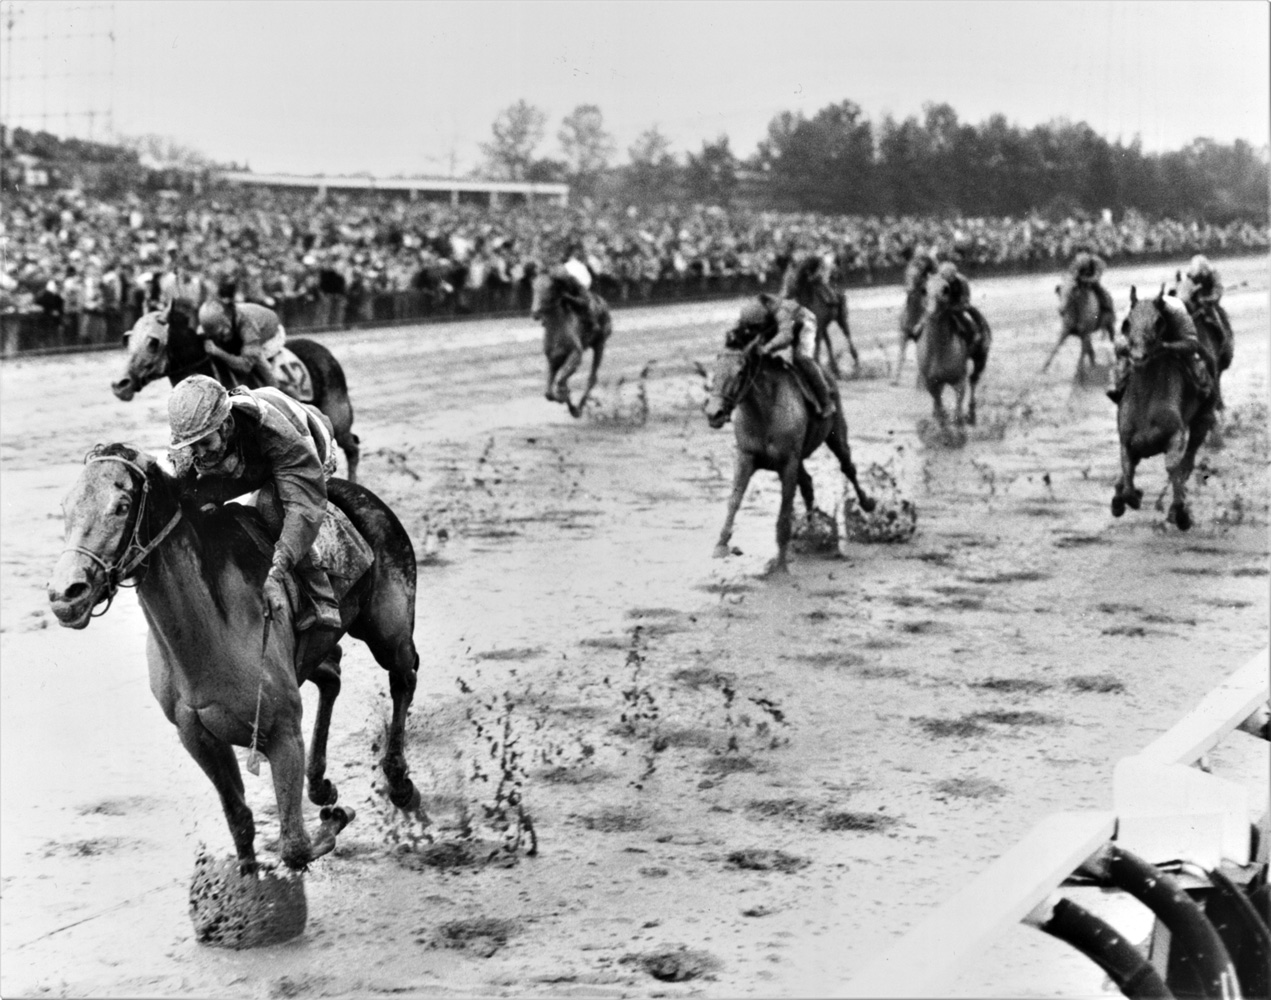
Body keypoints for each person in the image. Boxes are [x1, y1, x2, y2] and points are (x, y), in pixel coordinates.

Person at [167, 375, 341, 632]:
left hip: (308, 446)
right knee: (196, 501)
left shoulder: (280, 436)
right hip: (248, 456)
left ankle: (322, 597)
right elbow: (182, 491)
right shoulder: (195, 435)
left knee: (271, 505)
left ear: (225, 425)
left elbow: (303, 508)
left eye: (205, 444)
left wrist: (276, 574)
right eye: (193, 447)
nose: (200, 453)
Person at [725, 293, 835, 419]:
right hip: (777, 327)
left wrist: (768, 347)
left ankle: (826, 401)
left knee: (801, 358)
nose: (753, 329)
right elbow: (738, 332)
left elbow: (786, 336)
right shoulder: (750, 312)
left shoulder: (782, 312)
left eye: (756, 326)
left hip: (803, 324)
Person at [1106, 293, 1216, 406]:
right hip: (1140, 344)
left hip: (1174, 338)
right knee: (1123, 363)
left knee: (1195, 362)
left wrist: (1166, 346)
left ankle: (1204, 389)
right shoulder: (1129, 313)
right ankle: (1118, 386)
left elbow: (1192, 344)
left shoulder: (1177, 312)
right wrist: (1131, 348)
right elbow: (1118, 343)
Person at [196, 298, 286, 389]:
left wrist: (218, 352)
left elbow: (245, 367)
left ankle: (278, 387)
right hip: (246, 327)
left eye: (221, 334)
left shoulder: (247, 326)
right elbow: (202, 330)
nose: (219, 339)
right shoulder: (220, 322)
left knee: (256, 359)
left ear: (227, 321)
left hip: (272, 337)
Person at [929, 262, 990, 352]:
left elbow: (965, 299)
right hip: (942, 306)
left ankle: (981, 333)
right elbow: (932, 297)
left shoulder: (962, 281)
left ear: (953, 275)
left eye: (948, 276)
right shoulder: (937, 281)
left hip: (957, 304)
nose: (945, 278)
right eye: (943, 276)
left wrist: (955, 307)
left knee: (972, 312)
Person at [1177, 254, 1234, 349]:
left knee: (1215, 317)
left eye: (1202, 271)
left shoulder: (1213, 274)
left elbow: (1217, 290)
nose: (1201, 274)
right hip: (1194, 301)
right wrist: (1187, 297)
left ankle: (1222, 339)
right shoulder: (1189, 275)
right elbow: (1184, 290)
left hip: (1209, 302)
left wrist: (1209, 299)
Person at [551, 244, 604, 339]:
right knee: (586, 304)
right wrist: (583, 289)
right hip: (578, 291)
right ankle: (593, 323)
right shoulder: (578, 266)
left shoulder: (565, 266)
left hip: (569, 292)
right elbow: (588, 279)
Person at [1069, 247, 1116, 321]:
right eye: (1079, 257)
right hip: (1080, 284)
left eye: (1083, 256)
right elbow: (1072, 273)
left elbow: (1096, 276)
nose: (1081, 259)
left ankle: (1108, 310)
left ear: (1087, 255)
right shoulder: (1076, 262)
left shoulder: (1096, 261)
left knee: (1102, 293)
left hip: (1092, 283)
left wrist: (1086, 280)